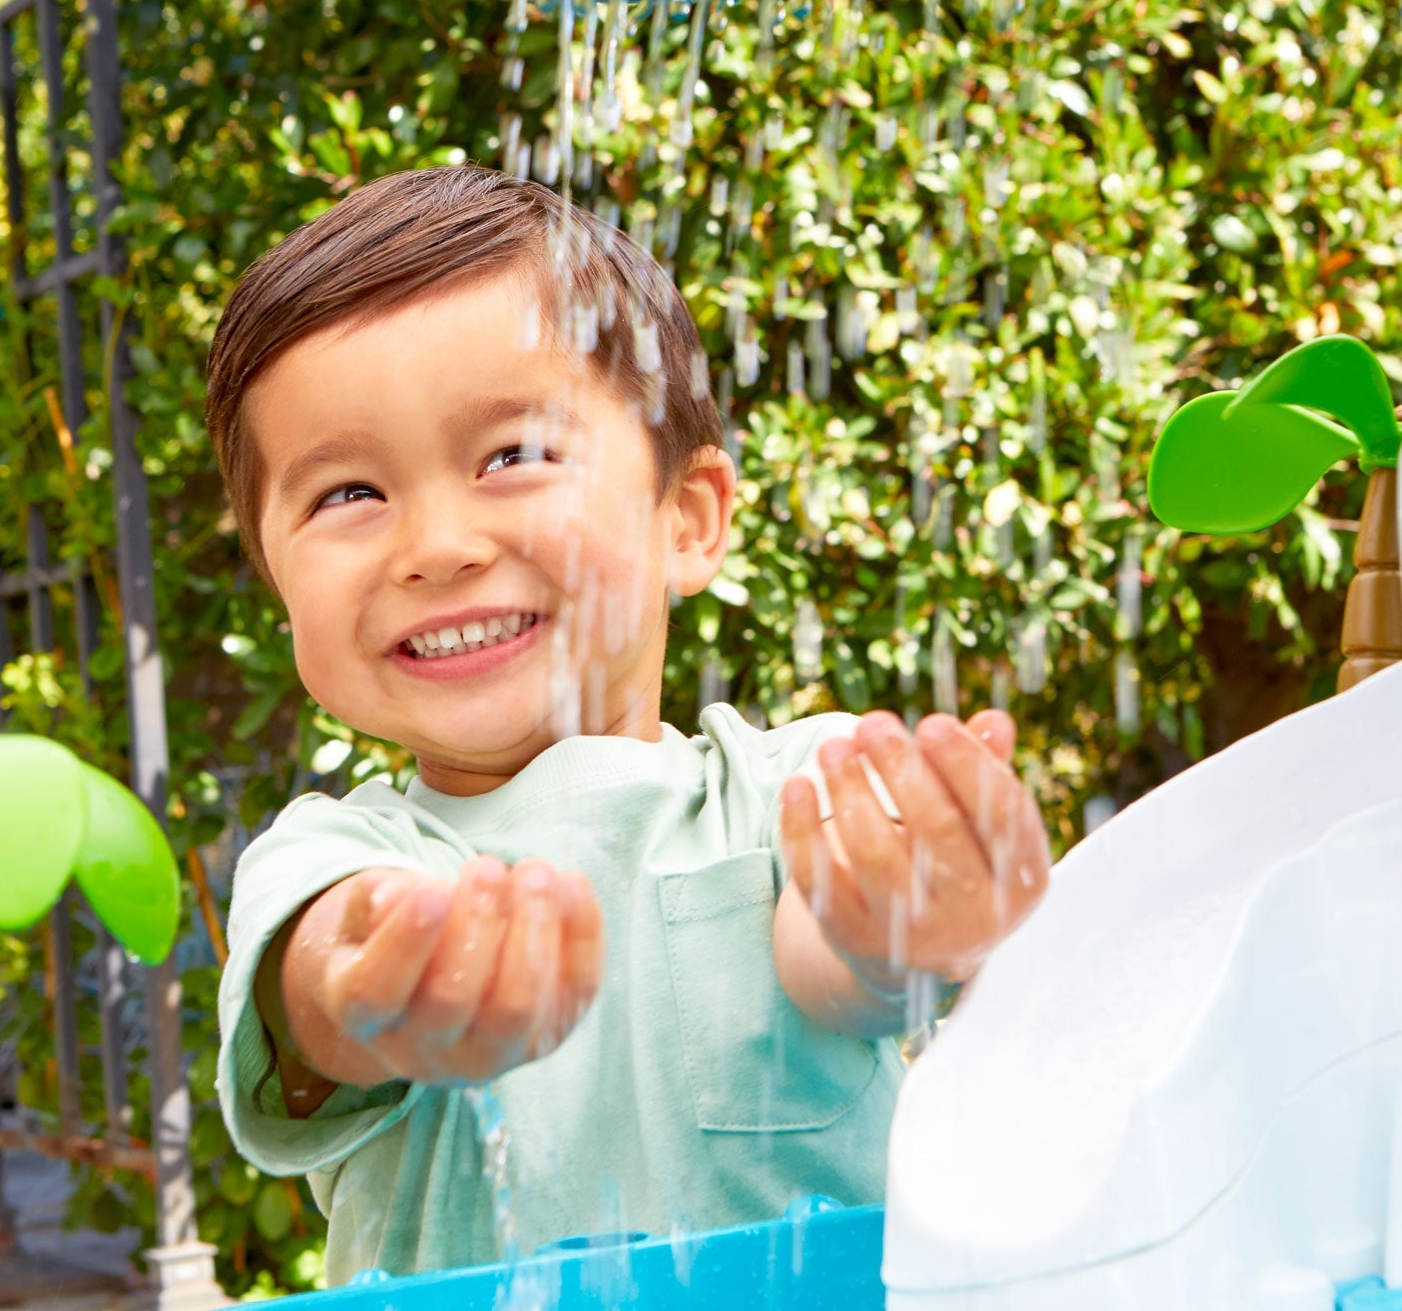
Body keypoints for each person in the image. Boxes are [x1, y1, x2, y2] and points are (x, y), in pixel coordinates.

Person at [209, 164, 1051, 1284]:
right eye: (348, 495)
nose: (437, 545)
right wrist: (373, 994)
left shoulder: (793, 788)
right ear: (277, 581)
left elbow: (831, 963)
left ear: (687, 519)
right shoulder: (345, 858)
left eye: (511, 455)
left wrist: (901, 921)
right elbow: (317, 986)